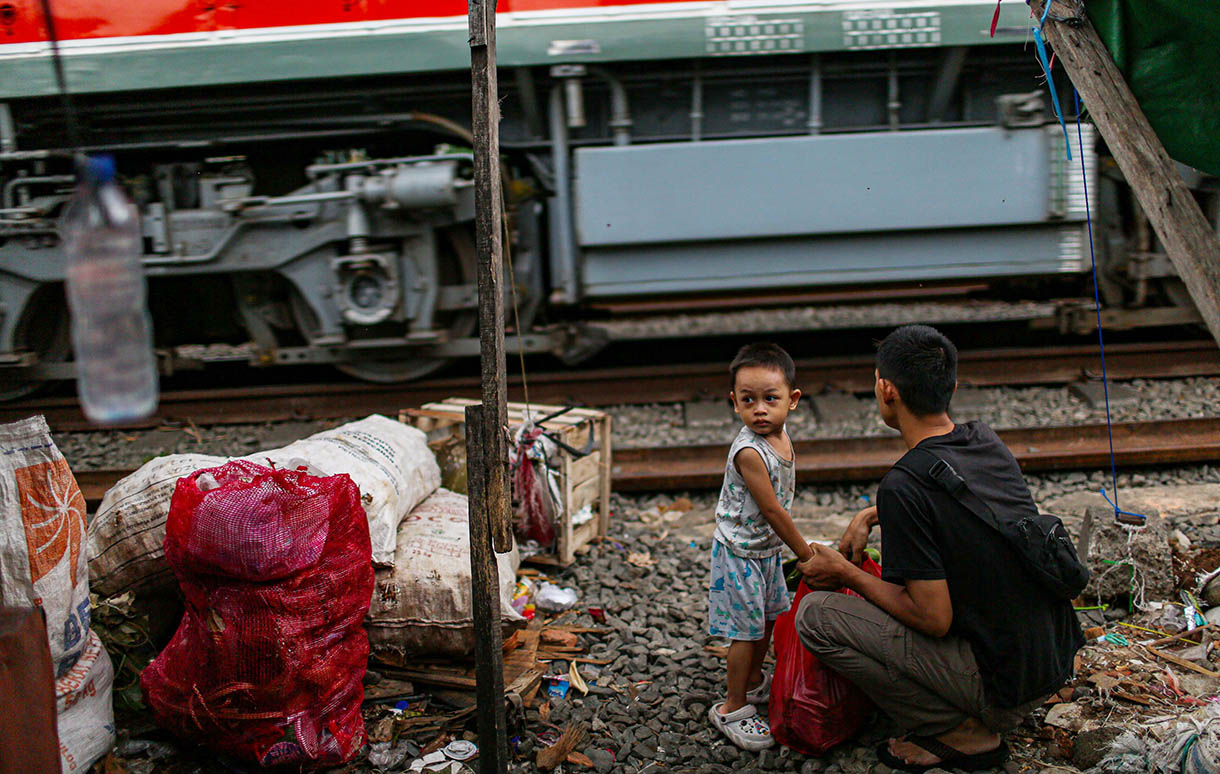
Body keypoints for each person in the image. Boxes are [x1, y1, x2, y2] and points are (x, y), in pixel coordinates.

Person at [793, 325, 1083, 772]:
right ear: (953, 386)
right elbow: (965, 512)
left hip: (1000, 689)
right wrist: (870, 516)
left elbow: (933, 618)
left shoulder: (904, 485)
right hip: (1049, 660)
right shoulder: (983, 440)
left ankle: (959, 730)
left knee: (816, 617)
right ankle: (974, 706)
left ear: (886, 390)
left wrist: (847, 574)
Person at [707, 342, 812, 751]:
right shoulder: (750, 451)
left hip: (764, 549)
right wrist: (805, 552)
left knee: (769, 619)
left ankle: (751, 681)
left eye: (771, 399)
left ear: (793, 400)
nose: (760, 410)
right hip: (740, 553)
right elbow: (771, 508)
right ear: (735, 403)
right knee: (745, 633)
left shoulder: (781, 438)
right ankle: (732, 708)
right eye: (748, 400)